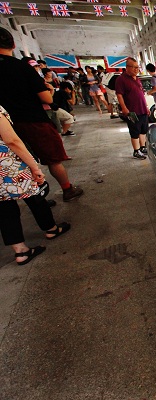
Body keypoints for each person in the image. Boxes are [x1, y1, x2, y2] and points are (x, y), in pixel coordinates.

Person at [0, 27, 83, 202]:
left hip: (6, 124)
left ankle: (37, 199)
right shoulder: (22, 68)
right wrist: (50, 90)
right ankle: (67, 189)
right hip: (34, 121)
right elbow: (46, 98)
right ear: (13, 45)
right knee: (54, 159)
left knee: (21, 163)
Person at [0, 105, 71, 265]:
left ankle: (20, 251)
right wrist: (34, 166)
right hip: (8, 164)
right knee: (34, 195)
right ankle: (51, 228)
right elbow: (11, 140)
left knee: (4, 207)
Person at [115, 57, 149, 159]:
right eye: (134, 67)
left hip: (142, 109)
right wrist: (124, 108)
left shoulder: (137, 79)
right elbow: (119, 95)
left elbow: (141, 94)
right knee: (135, 130)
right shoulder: (121, 79)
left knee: (143, 129)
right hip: (133, 110)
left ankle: (142, 147)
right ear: (127, 67)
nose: (136, 69)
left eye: (137, 67)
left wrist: (146, 107)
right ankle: (136, 150)